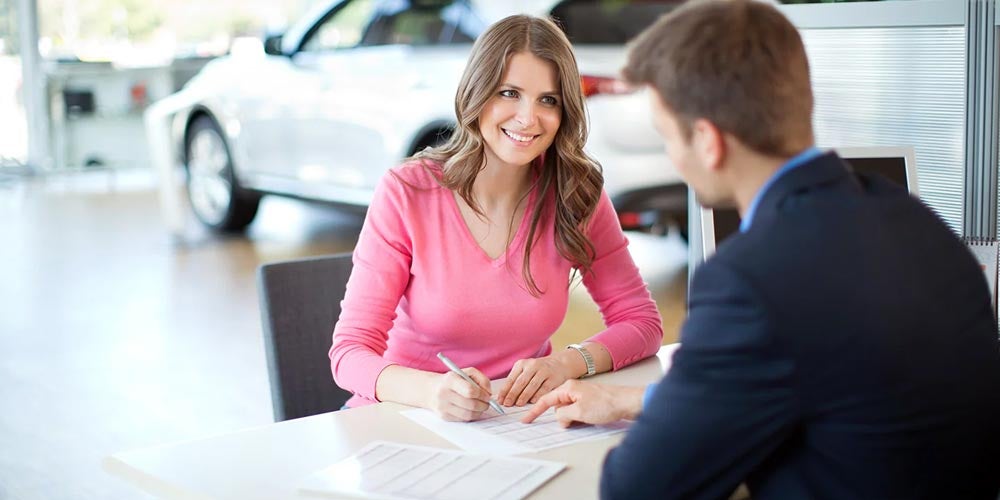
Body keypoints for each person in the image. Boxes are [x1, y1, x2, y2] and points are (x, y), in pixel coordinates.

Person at [523, 1, 1000, 498]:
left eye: (668, 137)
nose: (672, 157)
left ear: (707, 142)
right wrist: (638, 401)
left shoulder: (750, 281)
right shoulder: (915, 220)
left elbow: (637, 488)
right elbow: (824, 379)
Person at [328, 15, 663, 421]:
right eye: (509, 93)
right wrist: (432, 392)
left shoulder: (576, 195)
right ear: (477, 92)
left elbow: (641, 322)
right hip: (402, 416)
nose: (528, 118)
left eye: (548, 100)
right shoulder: (407, 192)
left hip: (516, 422)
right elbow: (349, 353)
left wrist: (567, 363)